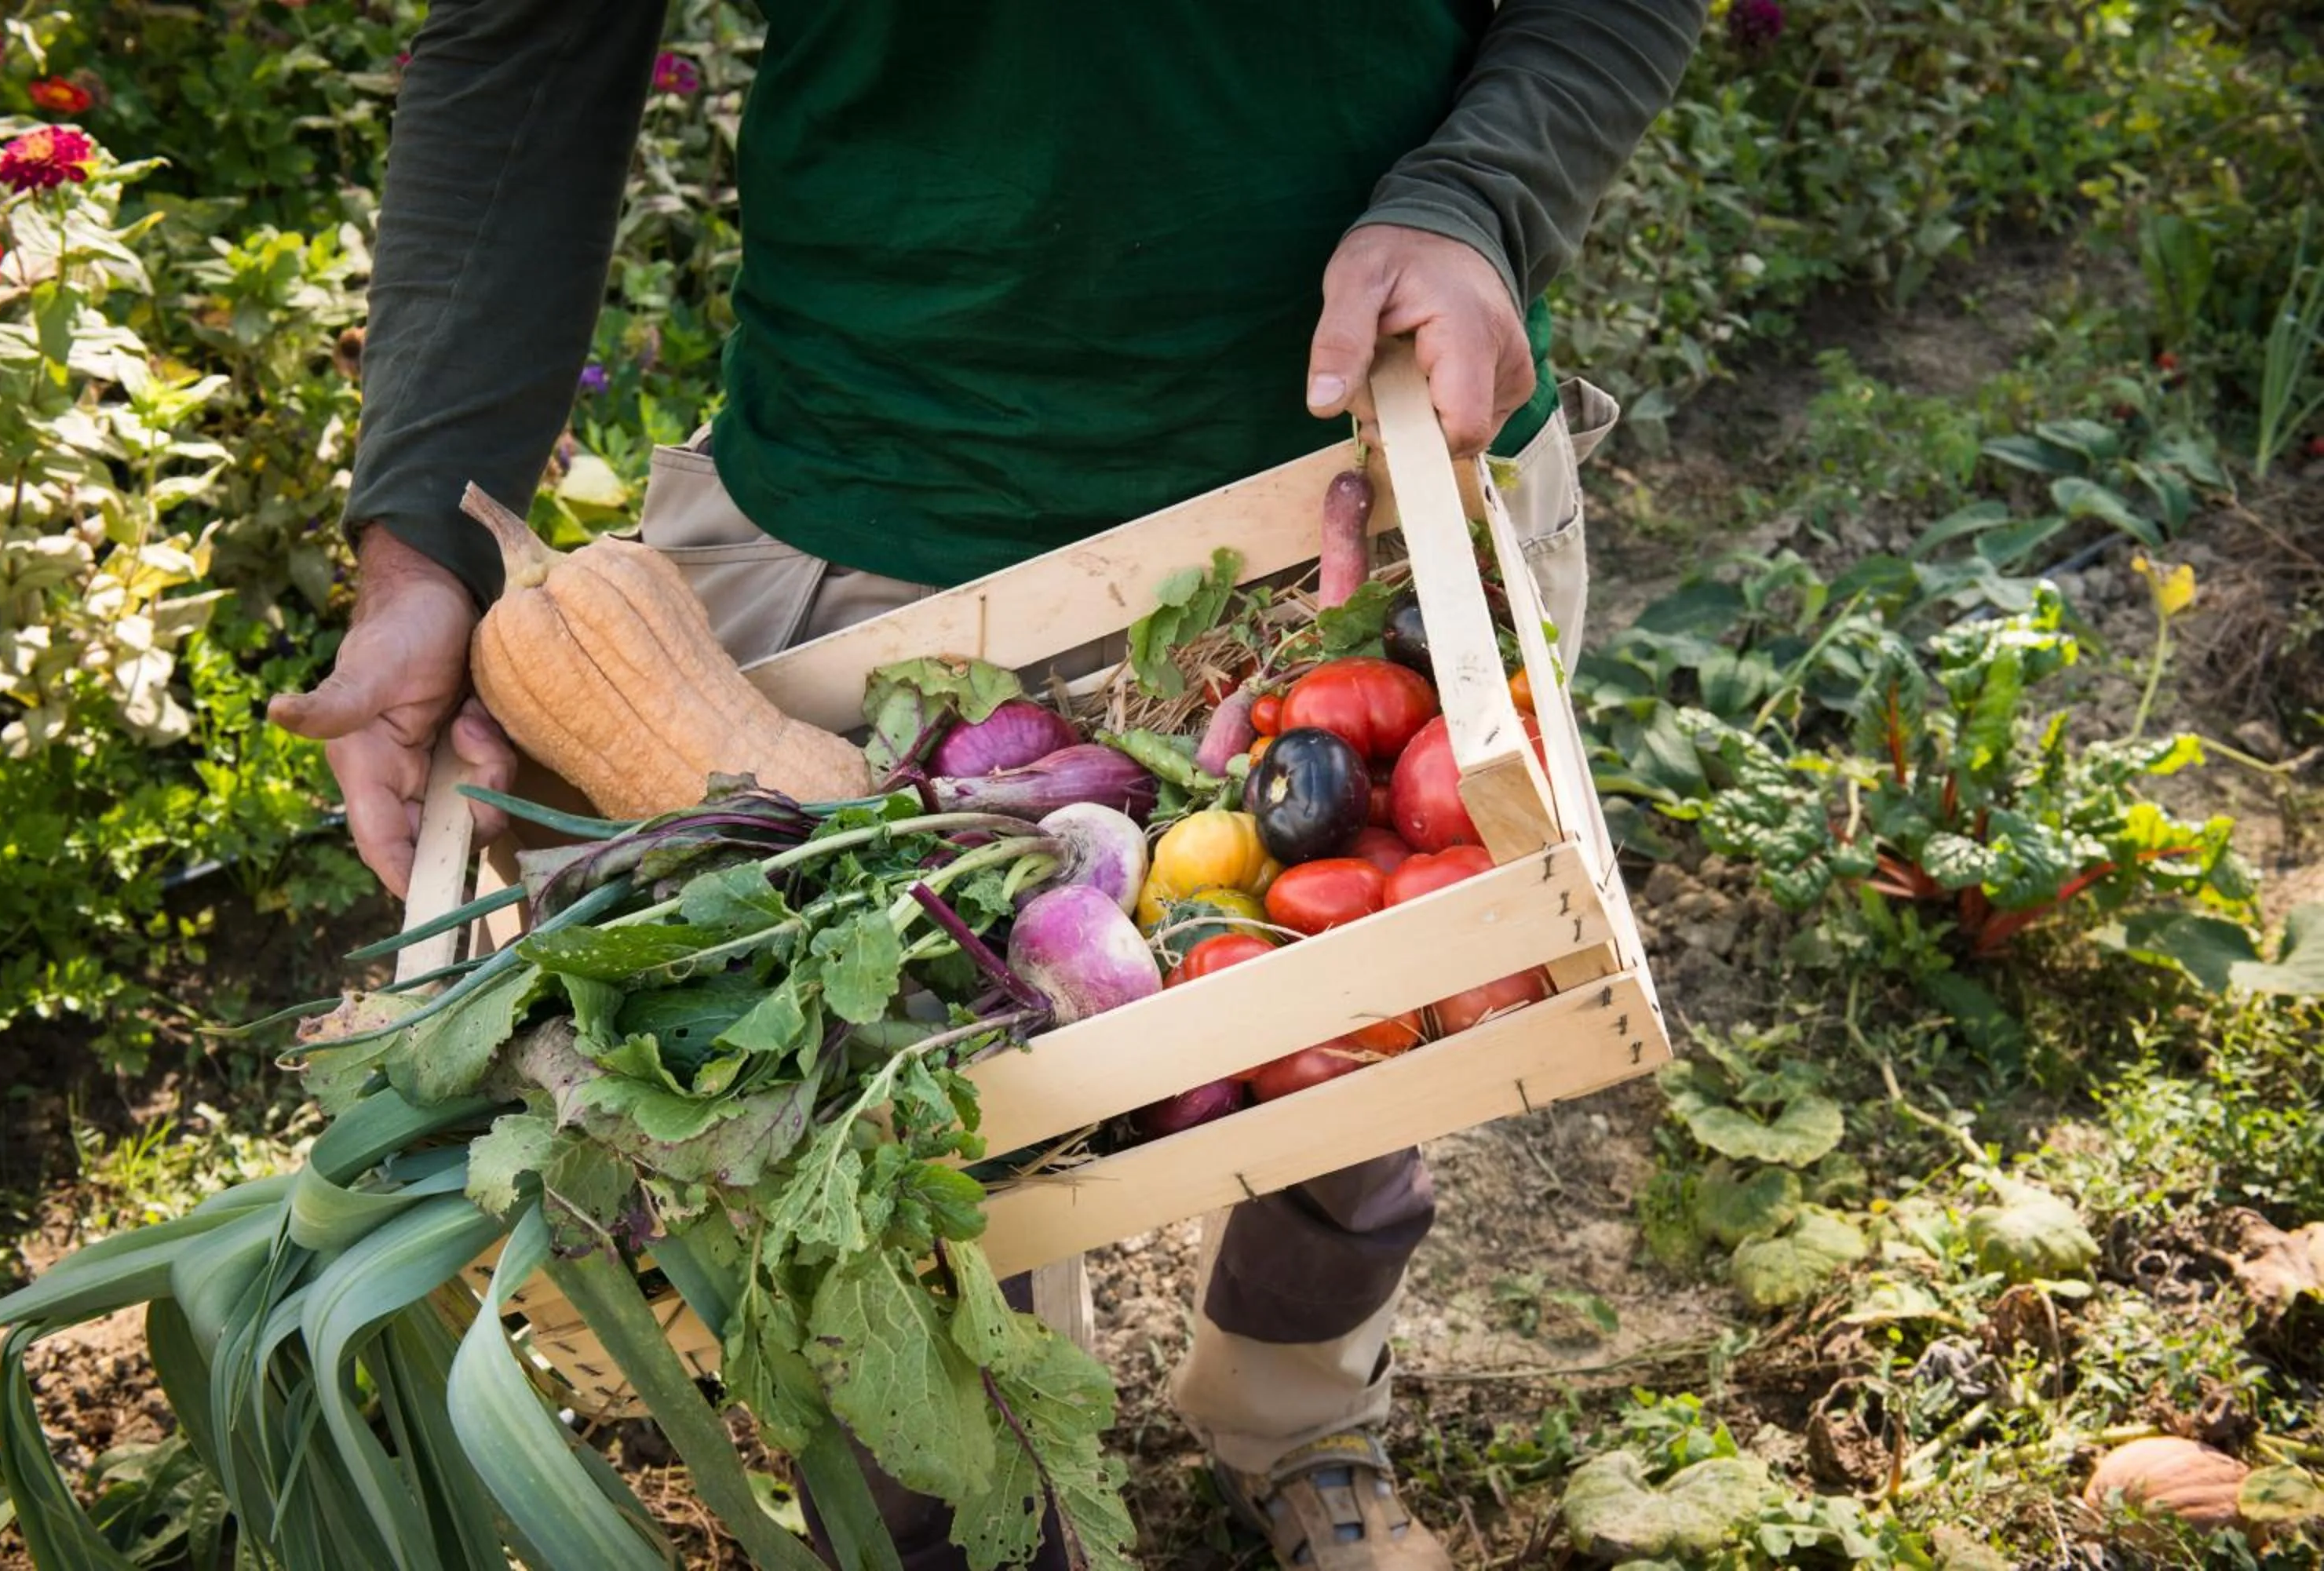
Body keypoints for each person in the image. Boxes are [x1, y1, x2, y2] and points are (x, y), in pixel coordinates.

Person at [271, 3, 1703, 1566]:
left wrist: (1478, 197)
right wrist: (418, 534)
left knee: (1360, 1006)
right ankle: (970, 1533)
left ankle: (1297, 1404)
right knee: (887, 1172)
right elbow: (533, 37)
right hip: (879, 507)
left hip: (1368, 465)